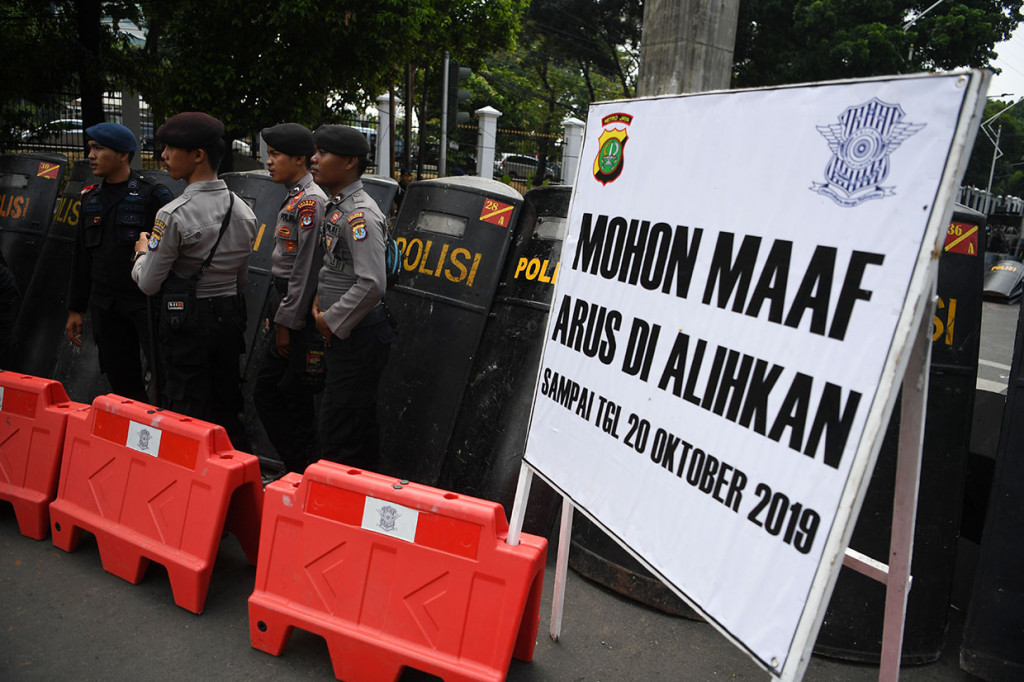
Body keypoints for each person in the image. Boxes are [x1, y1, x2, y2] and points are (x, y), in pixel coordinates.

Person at [131, 112, 257, 447]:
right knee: (226, 407)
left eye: (171, 148)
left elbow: (148, 284)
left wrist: (142, 253)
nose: (164, 156)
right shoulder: (244, 212)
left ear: (198, 155)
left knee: (187, 412)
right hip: (229, 321)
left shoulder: (173, 214)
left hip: (187, 326)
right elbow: (240, 280)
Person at [65, 122, 174, 401]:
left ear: (123, 155)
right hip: (106, 305)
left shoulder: (153, 195)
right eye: (90, 148)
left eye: (99, 149)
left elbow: (172, 252)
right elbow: (81, 257)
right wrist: (75, 308)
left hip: (146, 303)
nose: (90, 155)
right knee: (121, 381)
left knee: (166, 377)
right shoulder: (90, 198)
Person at [310, 124, 395, 471]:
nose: (313, 159)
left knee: (340, 430)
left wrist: (329, 320)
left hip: (356, 336)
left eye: (322, 153)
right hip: (347, 334)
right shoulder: (338, 206)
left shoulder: (360, 215)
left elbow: (373, 283)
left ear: (348, 162)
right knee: (351, 424)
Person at [252, 123, 328, 473]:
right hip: (283, 302)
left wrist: (287, 321)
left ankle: (303, 470)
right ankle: (300, 469)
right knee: (283, 395)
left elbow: (306, 268)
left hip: (296, 308)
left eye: (275, 155)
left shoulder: (311, 202)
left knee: (281, 395)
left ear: (300, 159)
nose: (268, 162)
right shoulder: (295, 195)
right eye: (268, 154)